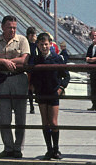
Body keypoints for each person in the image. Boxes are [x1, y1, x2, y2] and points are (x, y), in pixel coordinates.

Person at [0, 15, 30, 158]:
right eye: (9, 27)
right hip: (3, 80)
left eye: (14, 27)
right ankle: (8, 147)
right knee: (3, 117)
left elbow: (24, 59)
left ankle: (18, 148)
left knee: (20, 117)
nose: (12, 30)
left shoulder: (22, 40)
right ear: (2, 27)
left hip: (19, 79)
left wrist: (4, 61)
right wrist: (4, 62)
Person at [30, 32, 70, 160]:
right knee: (44, 122)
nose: (44, 47)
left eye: (46, 44)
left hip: (53, 92)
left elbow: (66, 75)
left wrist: (61, 88)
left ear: (50, 44)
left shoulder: (57, 59)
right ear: (38, 45)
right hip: (41, 93)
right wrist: (33, 87)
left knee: (53, 122)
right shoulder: (36, 59)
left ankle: (56, 148)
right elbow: (32, 74)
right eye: (41, 45)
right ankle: (49, 149)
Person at [26, 27, 38, 114]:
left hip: (35, 68)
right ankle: (31, 105)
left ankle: (33, 104)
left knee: (33, 87)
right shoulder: (27, 44)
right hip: (29, 68)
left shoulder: (37, 44)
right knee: (29, 88)